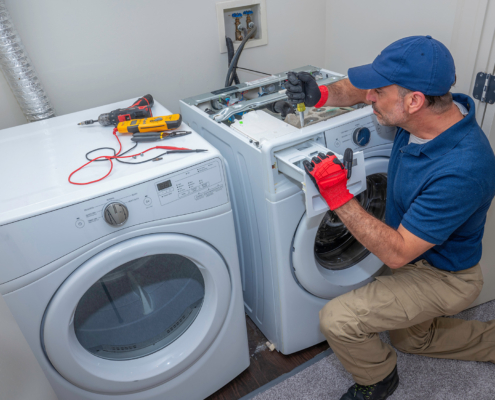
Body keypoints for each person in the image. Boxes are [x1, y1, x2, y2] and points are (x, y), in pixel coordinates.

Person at [285, 35, 495, 400]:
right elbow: (356, 88)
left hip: (444, 275)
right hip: (415, 251)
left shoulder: (465, 167)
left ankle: (379, 379)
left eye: (378, 93)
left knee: (339, 320)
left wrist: (337, 195)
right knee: (414, 340)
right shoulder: (424, 113)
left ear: (414, 101)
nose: (369, 98)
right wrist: (318, 95)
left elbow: (398, 254)